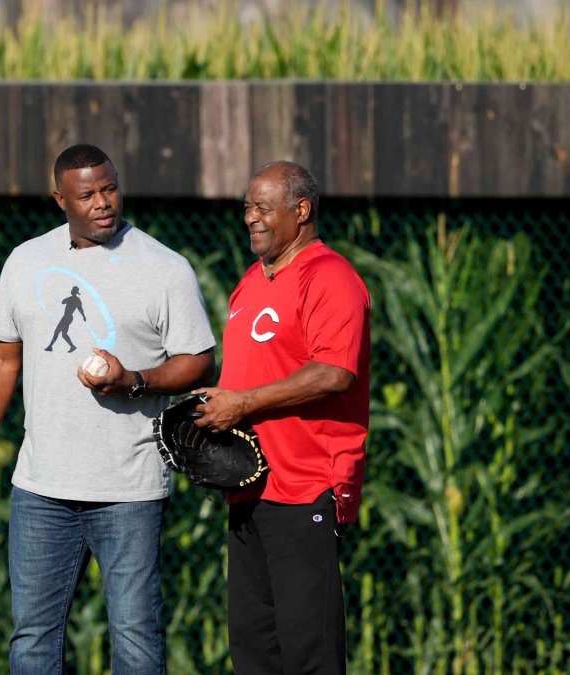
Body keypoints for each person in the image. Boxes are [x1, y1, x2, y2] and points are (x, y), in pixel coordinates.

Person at [0, 144, 217, 675]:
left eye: (109, 188)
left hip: (128, 489)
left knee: (136, 636)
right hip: (41, 489)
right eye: (87, 194)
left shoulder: (164, 267)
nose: (102, 202)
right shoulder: (27, 260)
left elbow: (200, 362)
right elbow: (0, 357)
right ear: (60, 199)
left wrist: (135, 380)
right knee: (32, 637)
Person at [193, 161, 371, 675]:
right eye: (247, 207)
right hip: (250, 486)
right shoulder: (250, 283)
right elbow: (244, 379)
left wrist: (242, 405)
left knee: (308, 653)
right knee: (254, 649)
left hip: (305, 487)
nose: (250, 218)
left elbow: (334, 373)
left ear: (302, 210)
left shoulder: (330, 276)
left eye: (263, 208)